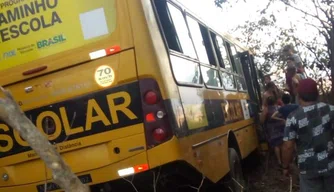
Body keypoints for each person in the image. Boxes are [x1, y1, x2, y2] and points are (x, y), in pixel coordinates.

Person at [281, 78, 334, 192]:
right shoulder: (331, 110)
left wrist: (285, 166)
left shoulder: (293, 117)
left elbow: (288, 146)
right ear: (317, 94)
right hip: (331, 165)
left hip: (308, 169)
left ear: (299, 96)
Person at [261, 96, 285, 166]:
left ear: (267, 102)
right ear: (275, 101)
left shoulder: (266, 109)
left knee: (276, 145)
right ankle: (285, 160)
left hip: (272, 130)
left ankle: (279, 161)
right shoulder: (279, 108)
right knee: (282, 144)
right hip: (281, 127)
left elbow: (262, 121)